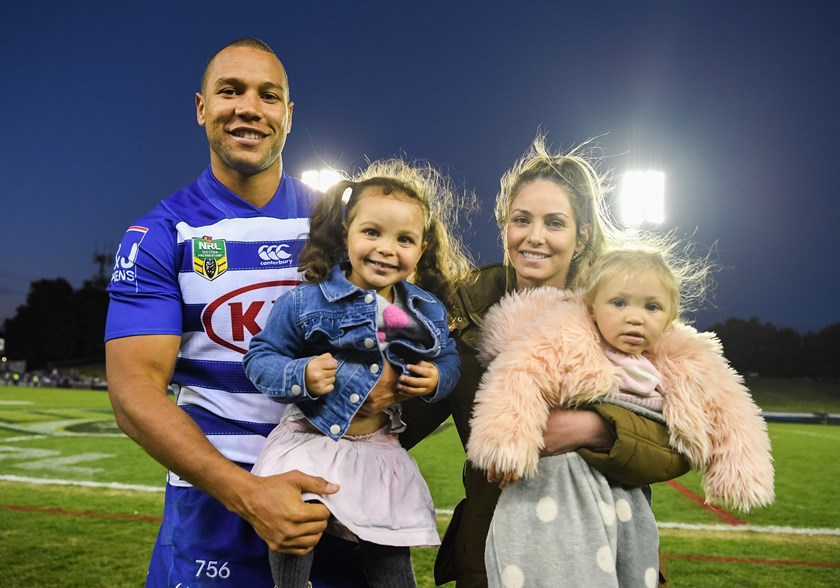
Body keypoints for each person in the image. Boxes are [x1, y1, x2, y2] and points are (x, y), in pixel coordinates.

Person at [105, 38, 366, 587]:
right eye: (231, 91)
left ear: (288, 116)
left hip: (335, 507)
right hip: (213, 520)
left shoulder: (343, 227)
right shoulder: (161, 233)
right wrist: (249, 494)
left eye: (268, 96)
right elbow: (133, 394)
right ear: (202, 107)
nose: (249, 107)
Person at [398, 135, 692, 588]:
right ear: (505, 227)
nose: (534, 237)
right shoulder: (463, 311)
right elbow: (406, 416)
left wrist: (593, 429)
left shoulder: (622, 311)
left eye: (555, 222)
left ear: (582, 238)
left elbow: (680, 442)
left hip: (606, 546)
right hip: (493, 547)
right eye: (521, 220)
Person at [468, 245, 775, 587]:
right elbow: (520, 372)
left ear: (671, 317)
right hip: (552, 492)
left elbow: (726, 404)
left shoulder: (674, 365)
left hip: (624, 502)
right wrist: (507, 442)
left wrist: (743, 468)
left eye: (652, 307)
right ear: (592, 306)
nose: (635, 317)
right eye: (619, 303)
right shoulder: (567, 339)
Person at [243, 159, 472, 587]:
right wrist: (301, 373)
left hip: (376, 446)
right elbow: (261, 357)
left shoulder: (424, 311)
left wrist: (437, 378)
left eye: (404, 239)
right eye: (372, 232)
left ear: (421, 250)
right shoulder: (307, 302)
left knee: (388, 551)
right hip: (310, 437)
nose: (387, 248)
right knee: (300, 521)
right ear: (345, 233)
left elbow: (450, 359)